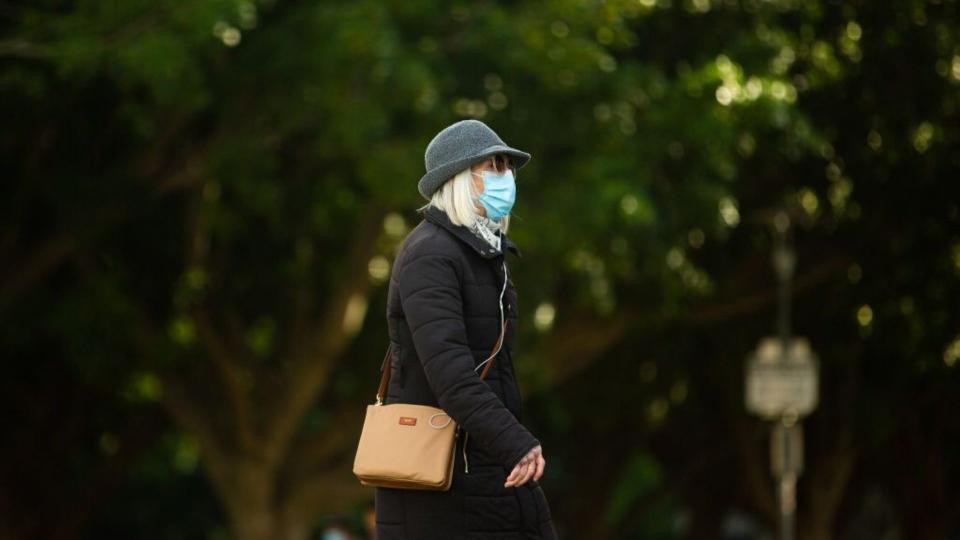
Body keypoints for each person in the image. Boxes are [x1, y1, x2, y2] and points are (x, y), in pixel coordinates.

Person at [374, 119, 558, 540]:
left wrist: (509, 446)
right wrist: (516, 442)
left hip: (487, 466)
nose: (506, 177)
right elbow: (451, 375)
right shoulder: (429, 255)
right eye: (494, 165)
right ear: (458, 177)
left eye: (509, 167)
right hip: (444, 481)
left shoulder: (482, 254)